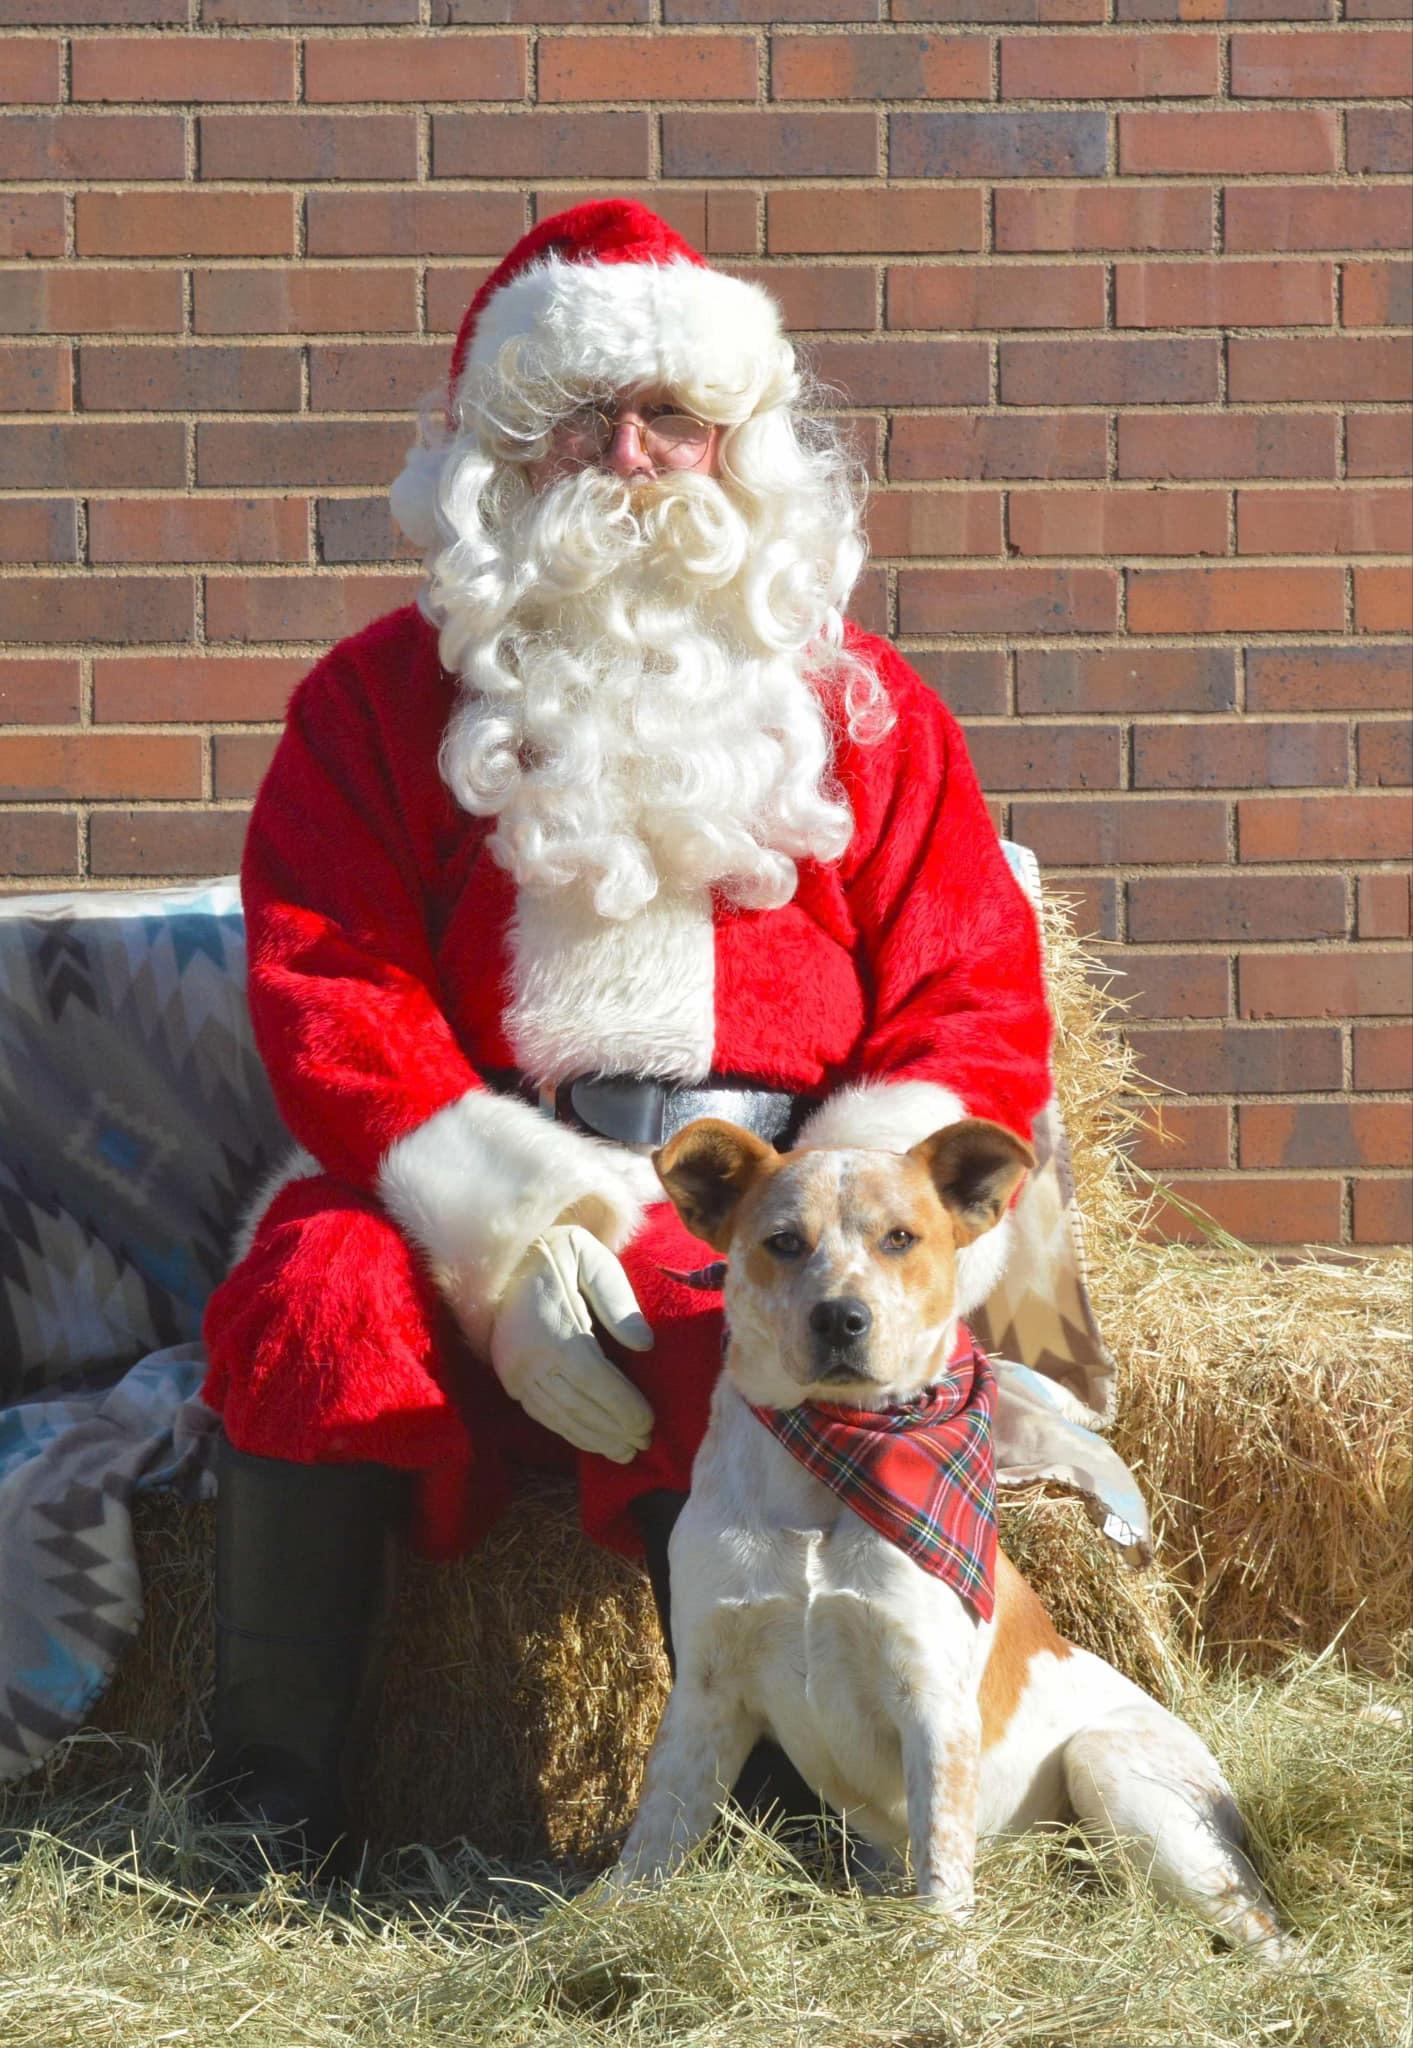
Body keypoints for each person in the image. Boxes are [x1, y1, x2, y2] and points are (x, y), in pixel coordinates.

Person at [199, 198, 1054, 1864]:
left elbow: (976, 997)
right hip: (457, 1175)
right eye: (582, 418)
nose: (632, 460)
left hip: (760, 1194)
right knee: (309, 1297)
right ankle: (259, 1805)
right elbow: (330, 986)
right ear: (497, 458)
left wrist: (818, 1210)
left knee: (741, 1311)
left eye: (675, 418)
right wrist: (507, 1240)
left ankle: (778, 1829)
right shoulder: (375, 701)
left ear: (744, 453)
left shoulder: (869, 709)